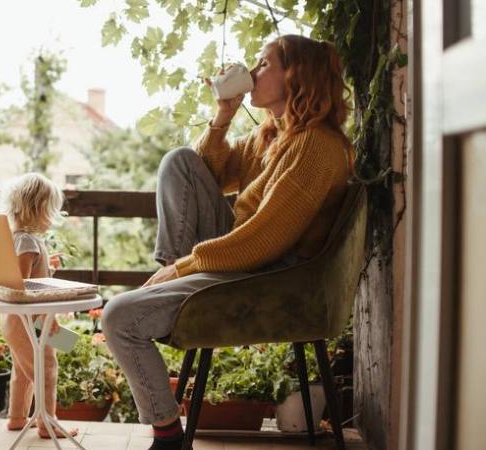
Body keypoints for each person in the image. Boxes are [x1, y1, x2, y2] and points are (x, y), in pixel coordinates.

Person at [102, 35, 353, 450]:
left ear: (296, 75)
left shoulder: (315, 146)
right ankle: (173, 292)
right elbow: (207, 175)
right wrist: (223, 115)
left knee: (118, 318)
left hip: (268, 274)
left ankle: (167, 437)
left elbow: (261, 244)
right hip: (240, 257)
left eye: (264, 64)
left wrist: (181, 268)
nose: (252, 73)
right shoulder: (272, 135)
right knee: (179, 160)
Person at [0, 172, 76, 439]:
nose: (51, 216)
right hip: (30, 317)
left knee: (23, 369)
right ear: (36, 209)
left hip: (15, 319)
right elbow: (24, 286)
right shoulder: (27, 240)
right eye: (49, 209)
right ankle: (47, 423)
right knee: (46, 367)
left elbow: (24, 275)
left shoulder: (16, 237)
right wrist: (50, 320)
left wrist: (47, 265)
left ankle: (17, 417)